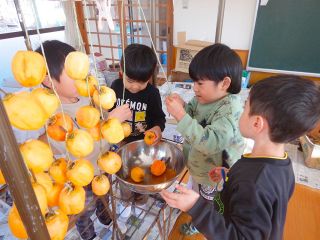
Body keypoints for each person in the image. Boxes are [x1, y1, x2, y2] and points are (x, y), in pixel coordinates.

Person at [161, 75, 320, 240]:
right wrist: (228, 175)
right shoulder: (281, 164)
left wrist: (196, 206)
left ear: (257, 123)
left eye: (245, 107)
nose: (241, 112)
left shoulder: (255, 183)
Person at [36, 40, 131, 240]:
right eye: (71, 73)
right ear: (48, 80)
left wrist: (111, 118)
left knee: (104, 198)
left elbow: (102, 119)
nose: (81, 76)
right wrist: (111, 122)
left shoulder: (88, 96)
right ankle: (89, 235)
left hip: (102, 166)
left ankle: (106, 220)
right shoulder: (53, 117)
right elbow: (78, 147)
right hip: (78, 178)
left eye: (80, 69)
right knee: (82, 211)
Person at [165, 43, 244, 234]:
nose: (194, 88)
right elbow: (192, 109)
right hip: (198, 163)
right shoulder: (205, 97)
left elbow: (211, 143)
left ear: (224, 83)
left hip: (214, 173)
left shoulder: (228, 111)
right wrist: (183, 106)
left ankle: (203, 223)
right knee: (196, 187)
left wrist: (181, 117)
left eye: (200, 83)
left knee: (210, 200)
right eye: (194, 82)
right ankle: (195, 205)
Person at [110, 43, 166, 217]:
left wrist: (156, 129)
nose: (134, 86)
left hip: (143, 146)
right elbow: (107, 116)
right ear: (121, 70)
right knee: (124, 177)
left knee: (143, 177)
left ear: (150, 76)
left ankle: (141, 201)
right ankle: (126, 203)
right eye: (130, 80)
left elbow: (159, 118)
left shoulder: (152, 94)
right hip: (121, 144)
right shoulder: (116, 87)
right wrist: (112, 114)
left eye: (141, 82)